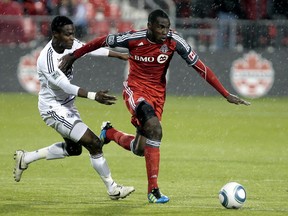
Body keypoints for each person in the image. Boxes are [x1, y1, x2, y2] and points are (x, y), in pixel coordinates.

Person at [59, 9, 250, 204]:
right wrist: (74, 56)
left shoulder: (175, 41)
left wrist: (225, 94)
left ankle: (109, 133)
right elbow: (100, 41)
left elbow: (200, 67)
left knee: (139, 149)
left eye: (167, 27)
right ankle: (153, 191)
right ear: (149, 26)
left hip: (158, 95)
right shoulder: (133, 38)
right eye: (160, 27)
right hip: (136, 91)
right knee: (155, 129)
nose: (165, 32)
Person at [13, 15, 135, 200]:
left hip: (66, 105)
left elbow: (90, 49)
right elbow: (66, 86)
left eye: (73, 34)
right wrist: (95, 96)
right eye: (68, 35)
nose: (72, 38)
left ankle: (26, 158)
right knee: (94, 143)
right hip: (53, 109)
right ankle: (113, 189)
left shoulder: (70, 44)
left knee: (74, 149)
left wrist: (121, 55)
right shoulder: (46, 59)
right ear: (55, 34)